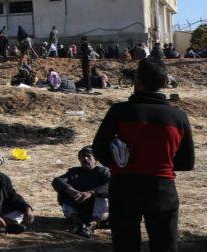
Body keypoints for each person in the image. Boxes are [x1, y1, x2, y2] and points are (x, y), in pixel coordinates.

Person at [92, 57, 195, 252]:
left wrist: (118, 163)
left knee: (125, 245)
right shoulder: (178, 117)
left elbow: (99, 148)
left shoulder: (119, 111)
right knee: (165, 245)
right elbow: (187, 162)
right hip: (162, 188)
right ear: (165, 83)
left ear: (136, 81)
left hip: (124, 186)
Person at [52, 146, 110, 238]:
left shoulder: (104, 172)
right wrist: (71, 190)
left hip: (99, 211)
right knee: (63, 191)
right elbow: (57, 181)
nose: (85, 159)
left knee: (104, 197)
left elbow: (112, 185)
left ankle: (91, 225)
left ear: (95, 159)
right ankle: (77, 222)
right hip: (80, 207)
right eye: (82, 156)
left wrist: (91, 193)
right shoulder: (74, 172)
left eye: (88, 156)